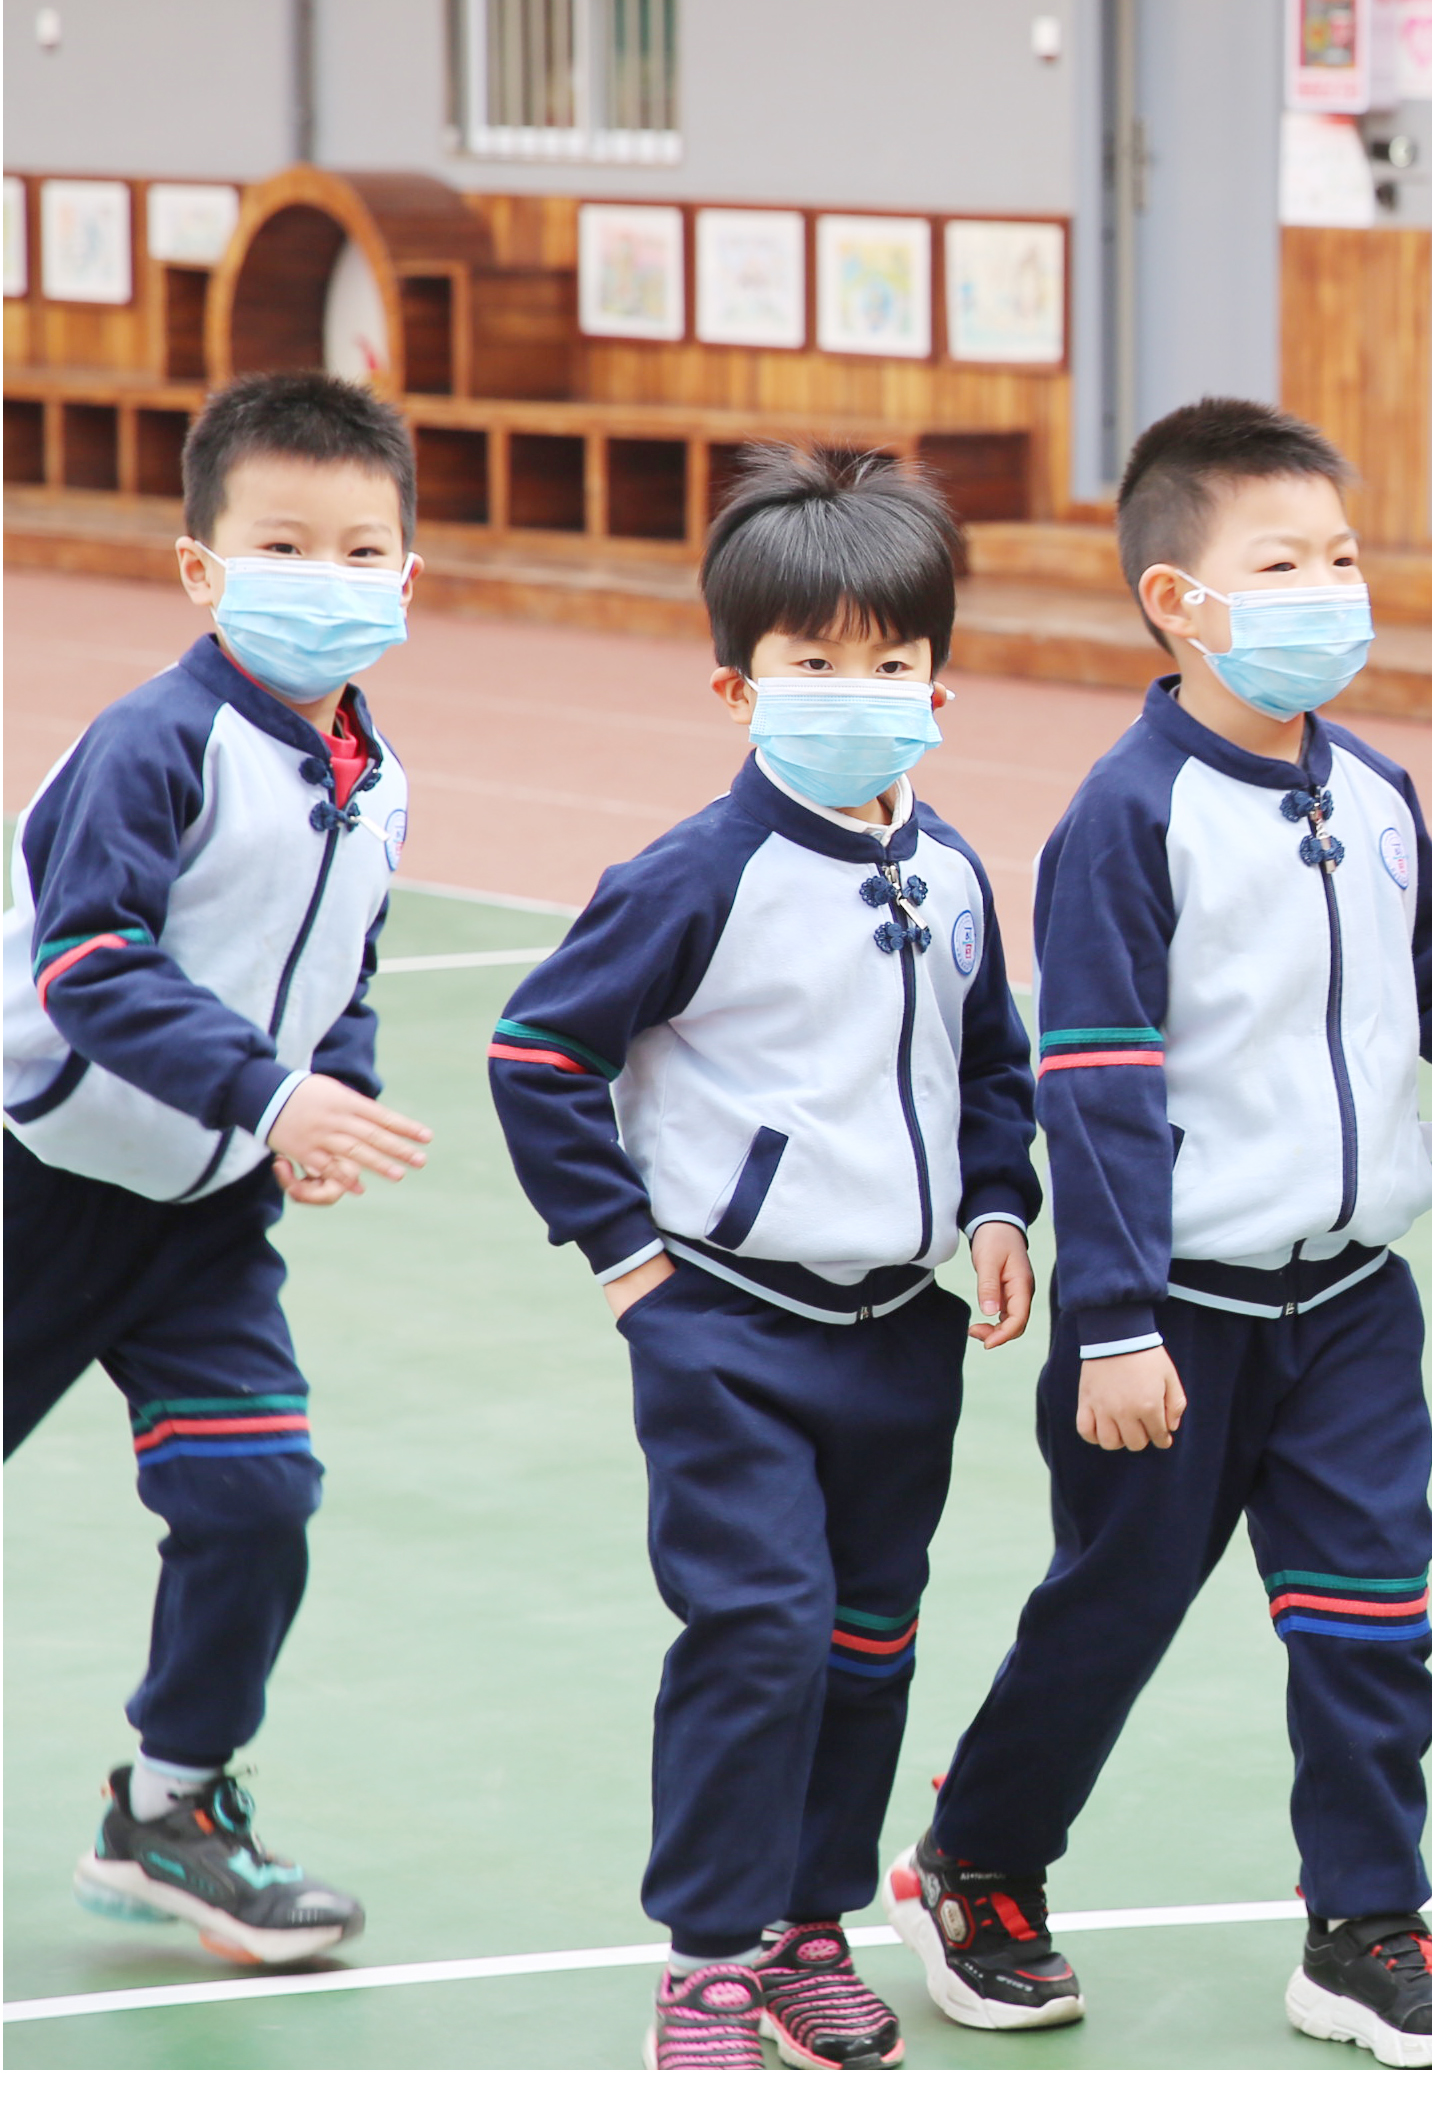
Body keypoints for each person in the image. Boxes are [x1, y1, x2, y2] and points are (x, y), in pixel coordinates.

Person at [890, 401, 1432, 2073]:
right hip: (1170, 1315)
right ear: (1180, 599)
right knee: (1106, 1614)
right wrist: (1109, 1322)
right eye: (1285, 562)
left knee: (1367, 1619)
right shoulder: (1127, 816)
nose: (1331, 586)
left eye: (1341, 554)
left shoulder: (1375, 790)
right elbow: (1093, 1086)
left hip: (1349, 1307)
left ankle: (1364, 1929)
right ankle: (975, 1864)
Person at [487, 447, 1041, 2069]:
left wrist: (997, 1206)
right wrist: (629, 1269)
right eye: (812, 664)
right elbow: (537, 1055)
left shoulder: (948, 875)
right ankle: (707, 1959)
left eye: (891, 662)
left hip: (900, 1334)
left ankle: (809, 1925)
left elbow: (990, 1062)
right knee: (759, 1629)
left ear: (941, 680)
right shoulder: (695, 875)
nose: (855, 691)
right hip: (725, 1328)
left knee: (869, 1640)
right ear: (738, 685)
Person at [7, 371, 430, 1969]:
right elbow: (90, 968)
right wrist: (274, 1097)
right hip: (36, 1185)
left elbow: (347, 967)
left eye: (359, 549)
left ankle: (169, 1813)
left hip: (202, 1218)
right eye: (282, 544)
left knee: (255, 1498)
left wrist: (332, 1096)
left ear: (407, 576)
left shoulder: (375, 777)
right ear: (202, 566)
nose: (326, 579)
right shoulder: (154, 743)